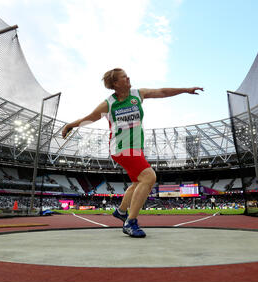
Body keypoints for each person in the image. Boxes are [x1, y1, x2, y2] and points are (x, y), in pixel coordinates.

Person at [62, 68, 203, 237]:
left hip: (136, 149)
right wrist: (70, 125)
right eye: (124, 77)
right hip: (120, 148)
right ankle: (130, 221)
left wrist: (185, 90)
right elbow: (91, 117)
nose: (128, 78)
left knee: (138, 183)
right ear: (115, 83)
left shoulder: (138, 94)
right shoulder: (109, 103)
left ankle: (121, 211)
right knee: (149, 177)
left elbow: (162, 92)